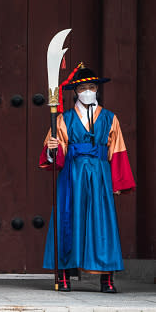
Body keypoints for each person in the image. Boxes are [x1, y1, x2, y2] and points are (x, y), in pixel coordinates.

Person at [39, 63, 135, 293]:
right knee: (67, 219)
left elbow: (117, 151)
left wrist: (117, 182)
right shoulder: (64, 119)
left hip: (100, 174)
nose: (88, 91)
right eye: (83, 88)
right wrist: (53, 149)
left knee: (102, 222)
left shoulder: (110, 119)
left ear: (97, 89)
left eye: (92, 87)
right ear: (76, 92)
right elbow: (56, 151)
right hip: (72, 172)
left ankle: (106, 278)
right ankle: (63, 275)